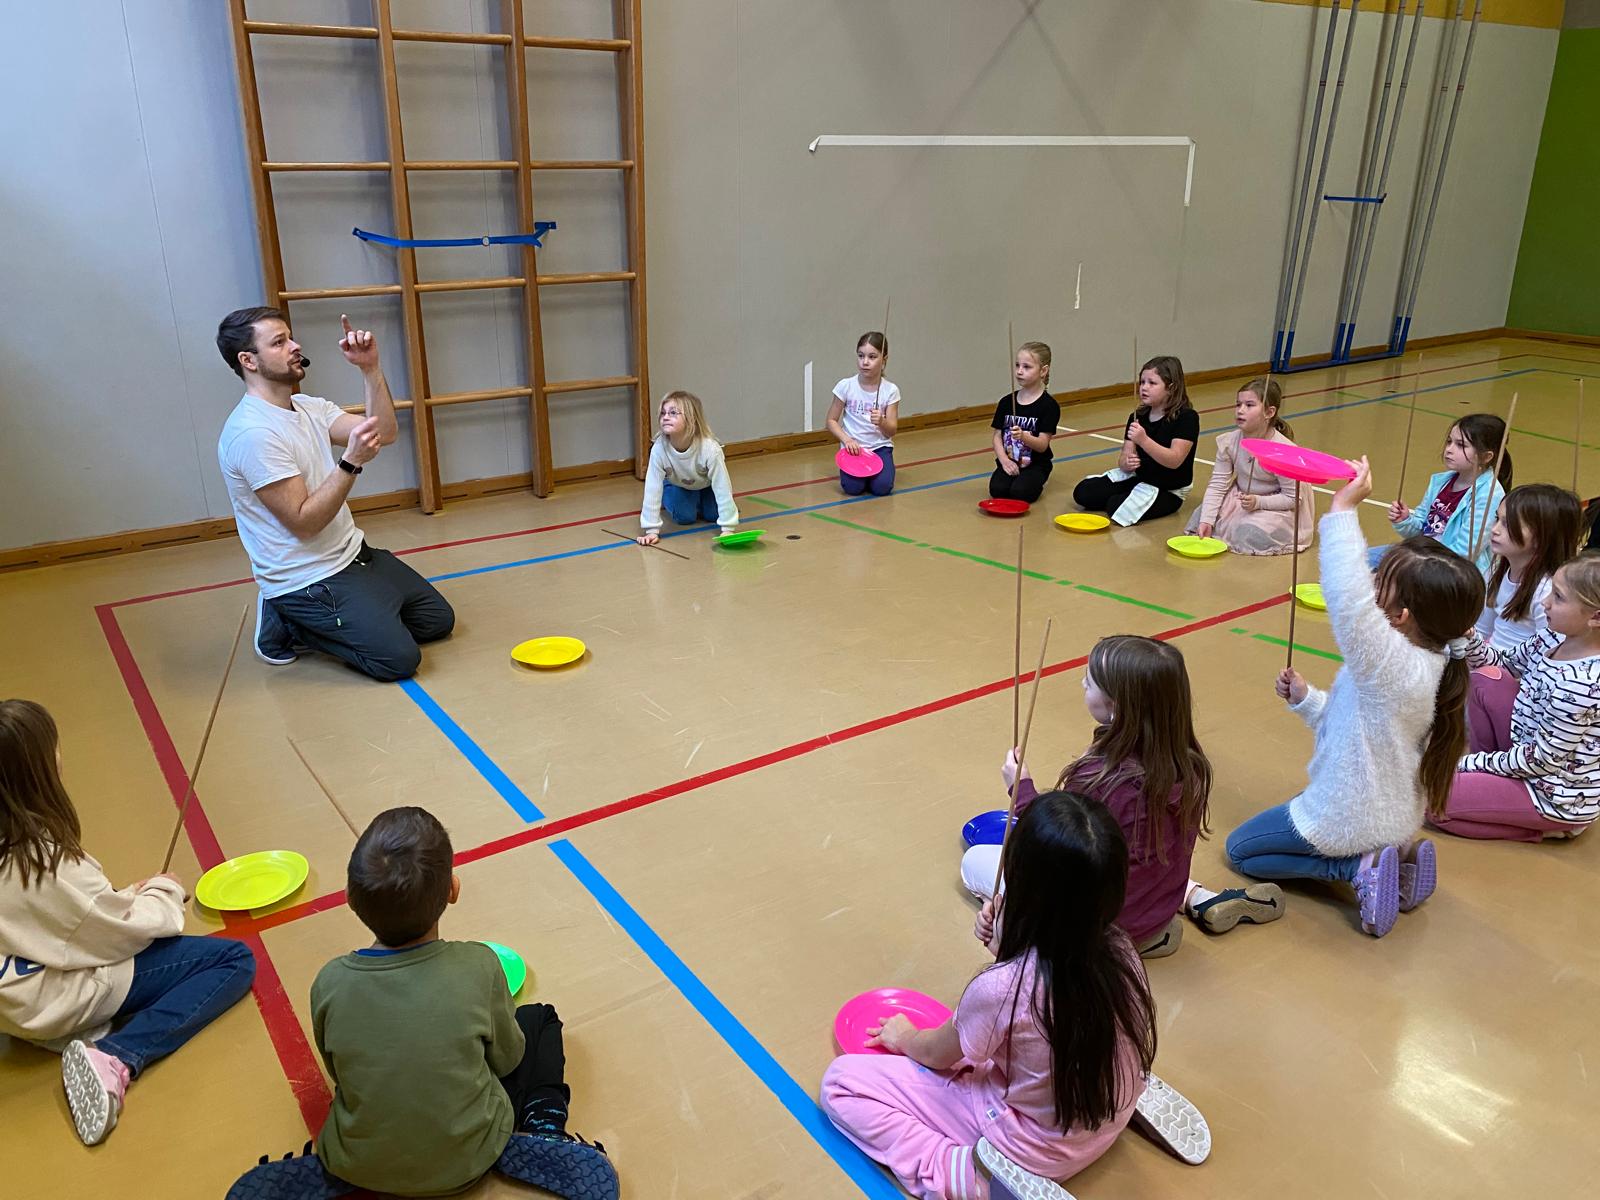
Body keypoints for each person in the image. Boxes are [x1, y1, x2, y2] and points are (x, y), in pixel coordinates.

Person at [226, 807, 616, 1200]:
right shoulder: (479, 965)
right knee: (540, 1019)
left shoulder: (329, 981)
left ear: (349, 899)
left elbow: (340, 1074)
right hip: (471, 1156)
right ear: (453, 890)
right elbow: (508, 1059)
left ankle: (351, 1163)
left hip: (360, 1160)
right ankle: (544, 1127)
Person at [822, 790, 1156, 1200]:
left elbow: (936, 1054)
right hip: (1102, 1124)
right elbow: (1048, 990)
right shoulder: (1123, 949)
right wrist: (1010, 945)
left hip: (1029, 1150)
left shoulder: (1003, 988)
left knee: (842, 1084)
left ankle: (962, 1174)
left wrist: (904, 1036)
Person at [1225, 459, 1484, 937]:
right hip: (1393, 817)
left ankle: (1355, 869)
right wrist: (1306, 700)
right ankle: (1398, 861)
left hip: (1349, 817)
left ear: (1402, 616)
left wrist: (1342, 510)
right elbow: (1355, 725)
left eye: (1380, 583)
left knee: (1242, 852)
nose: (1372, 583)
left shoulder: (1390, 661)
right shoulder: (1435, 661)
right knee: (1276, 829)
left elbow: (1347, 600)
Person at [0, 699, 255, 1146]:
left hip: (12, 1001)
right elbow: (125, 936)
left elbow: (54, 920)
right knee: (233, 960)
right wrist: (163, 891)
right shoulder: (43, 863)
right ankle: (116, 1055)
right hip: (51, 1003)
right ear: (35, 771)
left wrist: (118, 898)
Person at [215, 307, 454, 681]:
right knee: (397, 660)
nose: (295, 346)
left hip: (352, 555)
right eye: (279, 342)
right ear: (249, 360)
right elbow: (304, 523)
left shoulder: (309, 407)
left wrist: (370, 369)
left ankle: (350, 608)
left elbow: (385, 433)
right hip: (306, 578)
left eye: (291, 337)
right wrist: (350, 462)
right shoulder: (253, 434)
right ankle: (288, 620)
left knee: (436, 620)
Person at [960, 636, 1221, 959]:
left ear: (1117, 705)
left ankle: (1111, 946)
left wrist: (1021, 789)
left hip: (1098, 927)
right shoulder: (1190, 764)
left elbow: (1059, 847)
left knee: (974, 862)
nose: (1083, 683)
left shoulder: (1102, 779)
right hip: (1156, 913)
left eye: (1091, 682)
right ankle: (1177, 911)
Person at [1431, 553, 1600, 841]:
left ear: (1595, 617)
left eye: (1558, 597)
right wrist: (1469, 636)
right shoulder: (1554, 636)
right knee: (1485, 680)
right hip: (1528, 754)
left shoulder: (1580, 685)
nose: (1545, 602)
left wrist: (1467, 763)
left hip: (1551, 792)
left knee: (1434, 803)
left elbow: (1542, 761)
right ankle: (1487, 779)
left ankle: (1547, 828)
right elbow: (1502, 664)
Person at [1369, 413, 1511, 574]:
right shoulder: (1440, 482)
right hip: (1422, 556)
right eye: (1449, 442)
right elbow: (1420, 532)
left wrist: (1414, 562)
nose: (1449, 449)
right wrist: (1405, 520)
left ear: (1485, 457)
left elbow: (1465, 553)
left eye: (1461, 445)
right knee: (1361, 559)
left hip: (1451, 573)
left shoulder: (1489, 495)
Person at [1186, 378, 1314, 554]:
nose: (1240, 410)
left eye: (1249, 405)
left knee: (1249, 533)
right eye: (1238, 404)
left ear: (1269, 412)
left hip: (1276, 504)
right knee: (1201, 518)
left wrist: (1258, 502)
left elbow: (1292, 499)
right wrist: (1207, 520)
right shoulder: (1229, 442)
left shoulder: (1284, 452)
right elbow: (1217, 484)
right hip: (1244, 497)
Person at [636, 390, 739, 544]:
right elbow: (652, 488)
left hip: (706, 485)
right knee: (684, 517)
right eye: (663, 413)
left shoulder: (710, 449)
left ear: (691, 419)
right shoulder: (659, 449)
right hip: (679, 484)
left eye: (673, 413)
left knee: (713, 515)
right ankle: (673, 493)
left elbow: (722, 487)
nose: (665, 417)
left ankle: (699, 499)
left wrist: (728, 528)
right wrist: (651, 530)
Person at [987, 342, 1061, 503]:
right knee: (998, 490)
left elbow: (1042, 445)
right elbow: (997, 436)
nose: (1019, 371)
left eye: (1027, 367)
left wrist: (1023, 436)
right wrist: (1004, 461)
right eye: (1017, 365)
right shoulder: (1006, 402)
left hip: (1036, 465)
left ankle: (1037, 480)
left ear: (1043, 371)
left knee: (1021, 493)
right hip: (1010, 461)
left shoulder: (1049, 406)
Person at [828, 331, 900, 496]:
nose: (865, 362)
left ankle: (877, 475)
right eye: (861, 356)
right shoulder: (845, 386)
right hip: (854, 449)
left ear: (884, 360)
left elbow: (892, 430)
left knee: (882, 488)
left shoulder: (891, 390)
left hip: (880, 448)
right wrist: (847, 440)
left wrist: (882, 422)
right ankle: (863, 477)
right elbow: (831, 421)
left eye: (872, 357)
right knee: (852, 489)